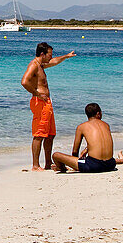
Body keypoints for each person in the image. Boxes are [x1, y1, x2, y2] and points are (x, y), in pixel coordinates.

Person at [20, 42, 77, 171]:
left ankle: (47, 163)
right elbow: (24, 81)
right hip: (39, 103)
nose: (51, 57)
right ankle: (35, 165)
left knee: (50, 134)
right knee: (39, 134)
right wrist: (37, 93)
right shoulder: (34, 65)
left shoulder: (41, 65)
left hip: (47, 103)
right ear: (42, 54)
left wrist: (66, 56)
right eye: (49, 54)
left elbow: (54, 62)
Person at [51, 103, 116, 173]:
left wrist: (74, 164)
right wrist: (86, 149)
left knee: (56, 155)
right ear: (98, 113)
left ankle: (62, 168)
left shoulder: (81, 127)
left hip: (94, 166)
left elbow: (75, 151)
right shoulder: (106, 125)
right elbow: (100, 142)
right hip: (111, 164)